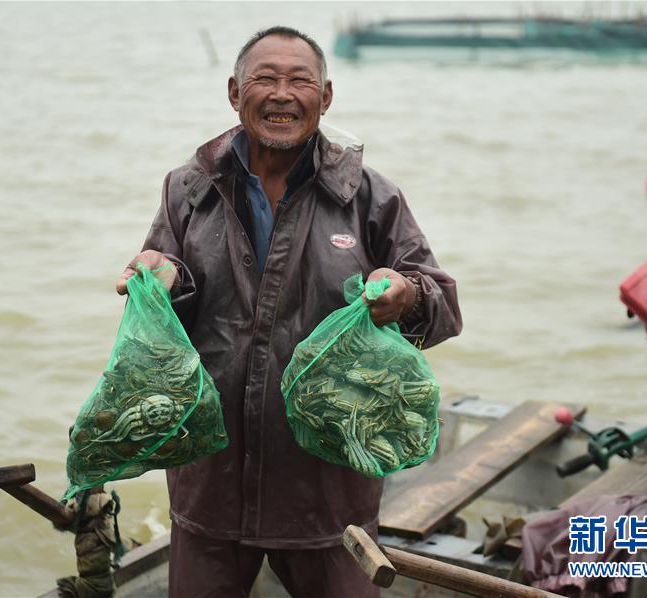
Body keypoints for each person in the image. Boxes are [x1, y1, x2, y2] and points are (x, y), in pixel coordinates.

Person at [116, 26, 463, 598]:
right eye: (265, 79)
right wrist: (162, 282)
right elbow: (167, 299)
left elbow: (442, 303)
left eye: (300, 80)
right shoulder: (188, 189)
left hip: (329, 491)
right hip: (211, 482)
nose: (283, 94)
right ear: (234, 92)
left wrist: (404, 294)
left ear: (325, 99)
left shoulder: (370, 197)